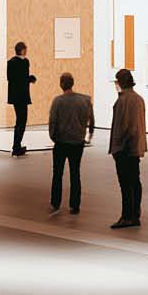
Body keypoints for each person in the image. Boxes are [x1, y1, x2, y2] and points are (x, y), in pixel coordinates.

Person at [46, 72, 94, 214]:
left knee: (57, 173)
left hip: (61, 142)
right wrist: (88, 136)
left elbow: (52, 122)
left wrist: (54, 137)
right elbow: (92, 120)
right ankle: (75, 204)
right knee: (75, 173)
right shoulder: (84, 100)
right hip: (77, 143)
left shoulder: (58, 101)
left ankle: (56, 203)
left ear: (61, 84)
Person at [107, 68, 148, 228]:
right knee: (135, 181)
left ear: (120, 82)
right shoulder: (139, 99)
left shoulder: (123, 100)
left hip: (124, 148)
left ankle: (127, 216)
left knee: (125, 183)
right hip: (135, 147)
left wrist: (117, 147)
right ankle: (135, 214)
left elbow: (122, 127)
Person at [6, 41, 36, 156]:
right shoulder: (16, 62)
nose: (26, 51)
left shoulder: (22, 62)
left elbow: (16, 78)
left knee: (21, 120)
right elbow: (13, 78)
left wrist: (28, 79)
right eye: (25, 49)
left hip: (19, 95)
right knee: (21, 121)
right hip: (20, 96)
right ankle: (16, 146)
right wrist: (28, 79)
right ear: (22, 50)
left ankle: (17, 145)